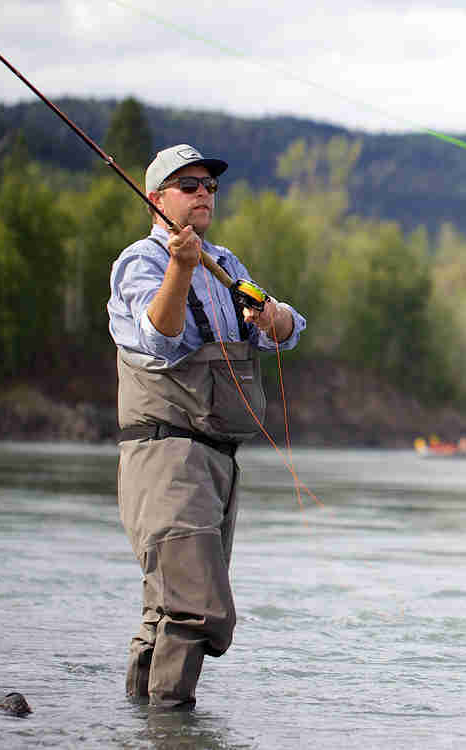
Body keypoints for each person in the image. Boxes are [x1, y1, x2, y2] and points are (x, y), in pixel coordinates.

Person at [106, 144, 307, 709]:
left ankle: (142, 726)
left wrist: (272, 313)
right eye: (188, 186)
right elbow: (158, 338)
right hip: (164, 457)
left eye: (209, 187)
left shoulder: (229, 264)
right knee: (201, 611)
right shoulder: (139, 263)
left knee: (166, 612)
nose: (203, 195)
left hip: (219, 462)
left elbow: (288, 328)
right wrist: (181, 265)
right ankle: (173, 731)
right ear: (156, 199)